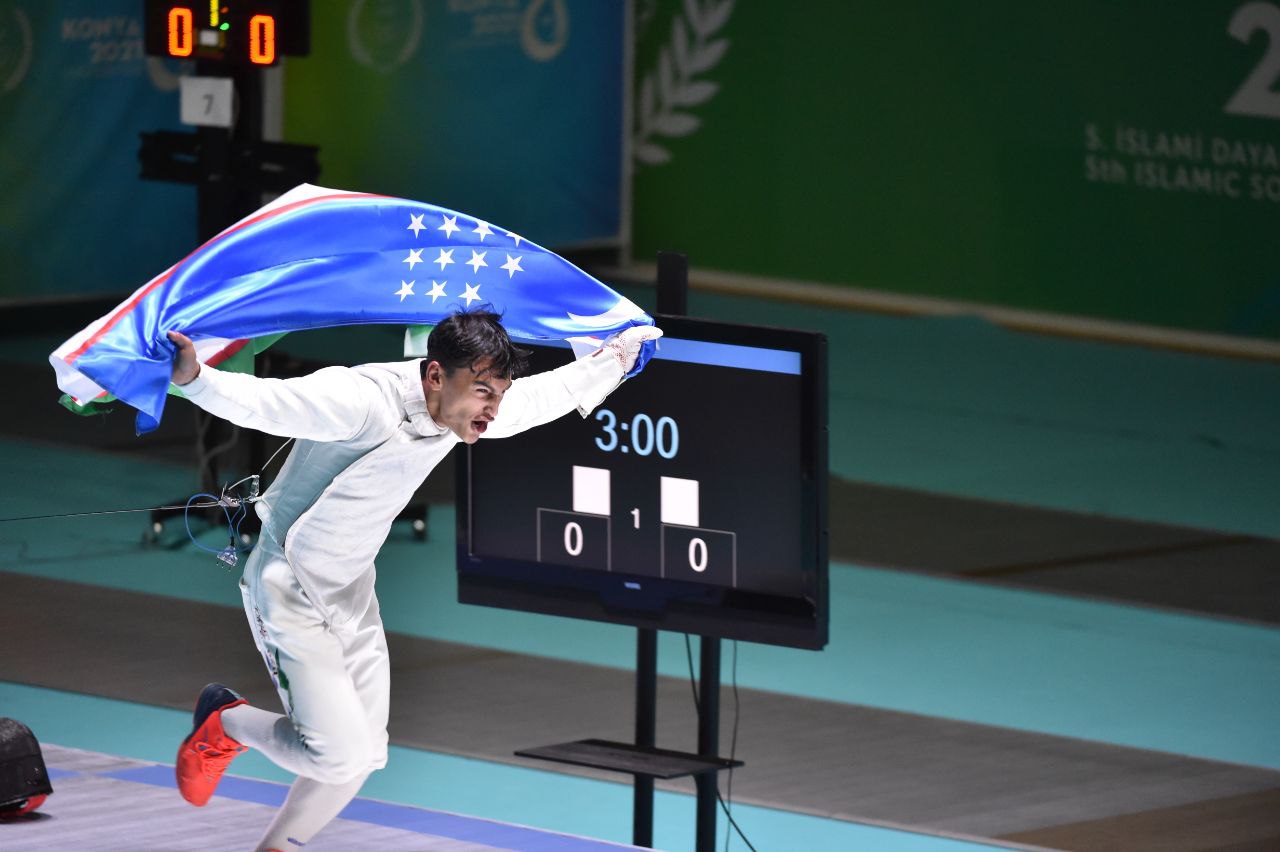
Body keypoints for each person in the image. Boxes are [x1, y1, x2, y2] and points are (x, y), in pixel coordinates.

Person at [165, 308, 661, 852]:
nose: (493, 409)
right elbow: (269, 402)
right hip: (287, 590)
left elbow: (542, 397)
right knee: (337, 756)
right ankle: (225, 722)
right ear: (435, 375)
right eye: (483, 392)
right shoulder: (362, 400)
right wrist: (195, 379)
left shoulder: (463, 407)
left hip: (351, 590)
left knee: (365, 756)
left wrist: (615, 360)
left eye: (499, 393)